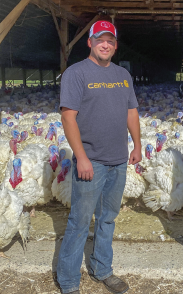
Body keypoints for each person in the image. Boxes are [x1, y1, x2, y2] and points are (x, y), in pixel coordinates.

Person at [57, 20, 141, 294]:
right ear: (90, 42)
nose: (105, 44)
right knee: (80, 221)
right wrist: (80, 157)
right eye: (100, 39)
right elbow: (68, 117)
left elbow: (131, 112)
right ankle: (69, 281)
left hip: (118, 159)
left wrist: (137, 145)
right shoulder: (76, 73)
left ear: (115, 45)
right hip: (90, 160)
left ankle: (102, 269)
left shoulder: (123, 75)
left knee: (107, 219)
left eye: (110, 40)